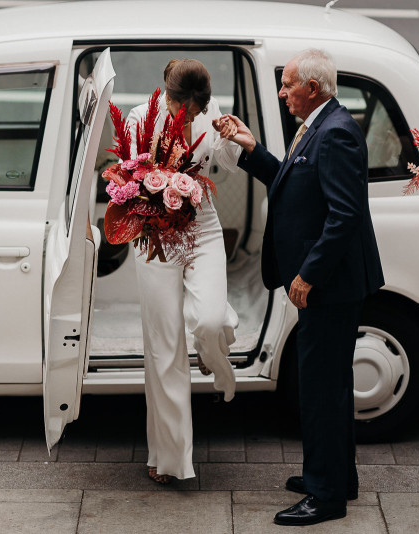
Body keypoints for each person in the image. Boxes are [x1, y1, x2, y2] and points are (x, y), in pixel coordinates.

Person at [215, 49, 384, 526]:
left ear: (312, 87)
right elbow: (291, 182)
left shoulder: (335, 133)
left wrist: (309, 274)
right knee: (331, 385)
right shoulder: (319, 124)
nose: (282, 92)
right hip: (329, 284)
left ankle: (325, 495)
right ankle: (337, 477)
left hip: (330, 286)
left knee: (320, 390)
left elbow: (344, 216)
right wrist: (251, 148)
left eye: (288, 84)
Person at [125, 59, 242, 484]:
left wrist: (234, 137)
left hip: (203, 225)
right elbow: (126, 180)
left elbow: (228, 163)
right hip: (155, 233)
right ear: (167, 95)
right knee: (165, 347)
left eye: (196, 112)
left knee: (209, 318)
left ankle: (213, 355)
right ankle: (168, 457)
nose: (188, 118)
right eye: (182, 110)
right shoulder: (140, 119)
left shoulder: (212, 113)